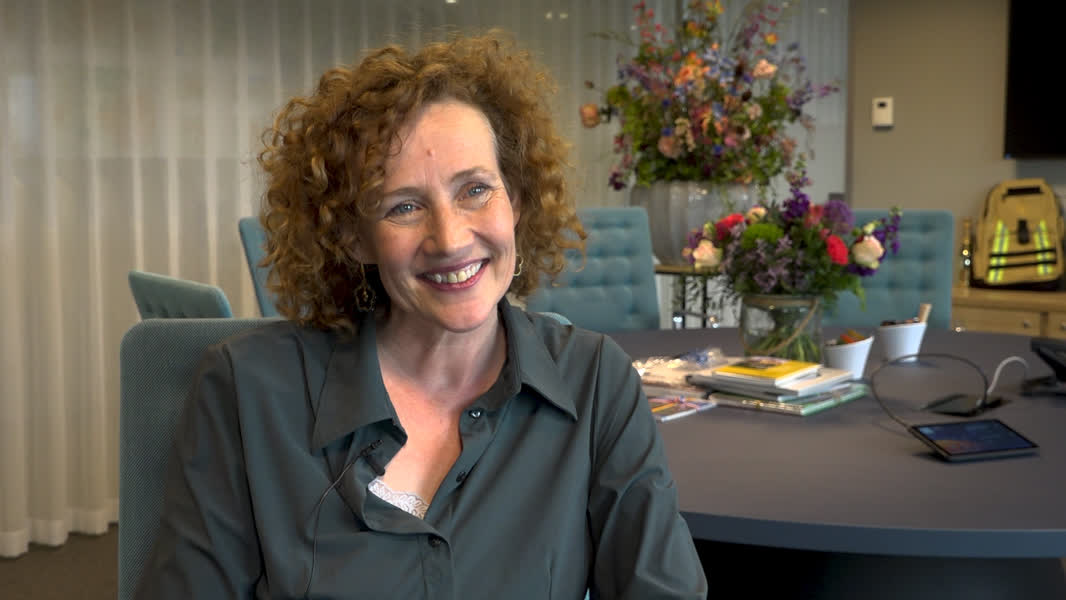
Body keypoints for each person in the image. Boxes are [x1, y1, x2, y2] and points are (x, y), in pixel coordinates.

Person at [136, 31, 707, 599]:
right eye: (404, 206)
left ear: (517, 199)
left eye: (475, 190)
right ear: (353, 236)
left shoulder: (596, 382)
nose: (450, 238)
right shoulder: (247, 390)